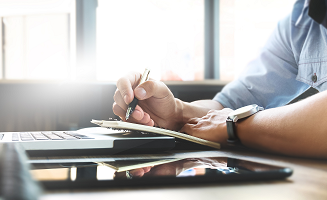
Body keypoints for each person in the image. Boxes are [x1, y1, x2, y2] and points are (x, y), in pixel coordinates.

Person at [112, 0, 327, 159]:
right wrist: (177, 113)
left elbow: (230, 117)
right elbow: (231, 105)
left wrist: (235, 126)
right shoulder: (301, 23)